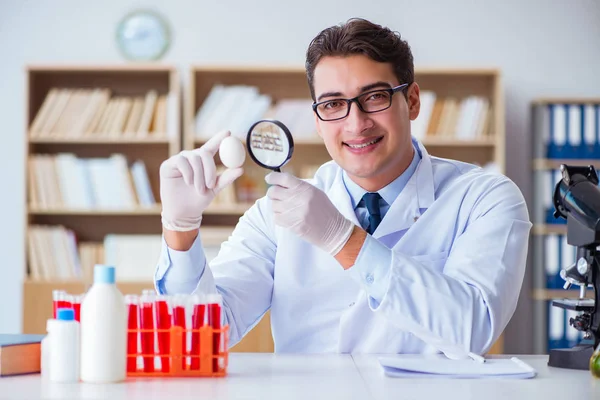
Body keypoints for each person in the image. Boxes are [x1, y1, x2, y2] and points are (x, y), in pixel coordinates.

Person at [155, 18, 531, 356]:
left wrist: (343, 240)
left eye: (374, 97)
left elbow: (473, 330)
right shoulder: (276, 213)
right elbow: (201, 337)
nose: (356, 123)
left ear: (412, 101)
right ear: (317, 120)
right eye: (334, 104)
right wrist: (180, 231)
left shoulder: (485, 198)